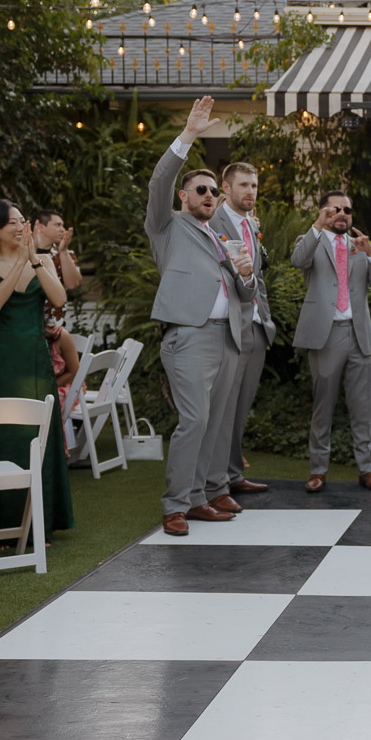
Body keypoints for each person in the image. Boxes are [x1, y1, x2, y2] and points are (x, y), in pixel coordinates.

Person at [146, 96, 258, 537]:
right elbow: (159, 181)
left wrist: (246, 275)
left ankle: (199, 497)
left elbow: (243, 293)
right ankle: (175, 505)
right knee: (194, 420)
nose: (210, 195)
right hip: (189, 335)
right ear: (183, 196)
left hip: (228, 336)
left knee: (213, 423)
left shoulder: (219, 237)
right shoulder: (167, 225)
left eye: (214, 191)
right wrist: (189, 134)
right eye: (201, 190)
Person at [0, 199, 74, 539]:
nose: (19, 226)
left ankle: (41, 522)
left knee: (36, 435)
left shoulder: (42, 259)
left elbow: (59, 299)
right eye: (11, 222)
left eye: (21, 220)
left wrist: (34, 261)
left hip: (35, 359)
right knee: (0, 436)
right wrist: (19, 263)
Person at [294, 189, 371, 493]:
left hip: (359, 335)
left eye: (346, 210)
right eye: (334, 209)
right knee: (323, 407)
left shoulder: (359, 246)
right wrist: (316, 226)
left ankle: (367, 469)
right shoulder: (310, 241)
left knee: (362, 408)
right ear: (322, 212)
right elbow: (298, 260)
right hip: (326, 336)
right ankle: (318, 470)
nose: (341, 215)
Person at [215, 162, 274, 497]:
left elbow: (257, 276)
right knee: (223, 406)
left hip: (256, 327)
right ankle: (216, 483)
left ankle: (233, 474)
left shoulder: (251, 223)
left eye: (253, 185)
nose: (250, 191)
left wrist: (265, 318)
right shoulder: (213, 223)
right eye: (243, 185)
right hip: (228, 328)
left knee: (240, 408)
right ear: (226, 187)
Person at [31, 209, 80, 384]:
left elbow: (73, 284)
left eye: (63, 225)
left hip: (54, 331)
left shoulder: (65, 253)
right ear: (39, 225)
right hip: (26, 326)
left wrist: (63, 251)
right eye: (57, 225)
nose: (62, 229)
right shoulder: (22, 254)